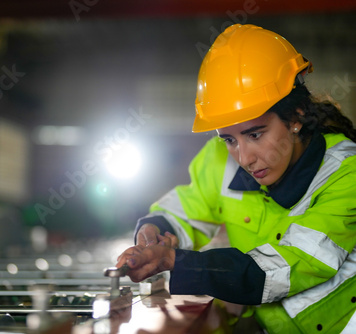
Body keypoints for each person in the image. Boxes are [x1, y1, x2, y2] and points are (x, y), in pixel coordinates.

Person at [116, 24, 356, 333]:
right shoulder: (219, 157)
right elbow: (188, 207)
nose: (244, 158)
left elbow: (282, 269)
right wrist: (154, 232)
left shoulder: (345, 173)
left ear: (296, 116)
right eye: (229, 139)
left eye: (255, 134)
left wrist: (176, 261)